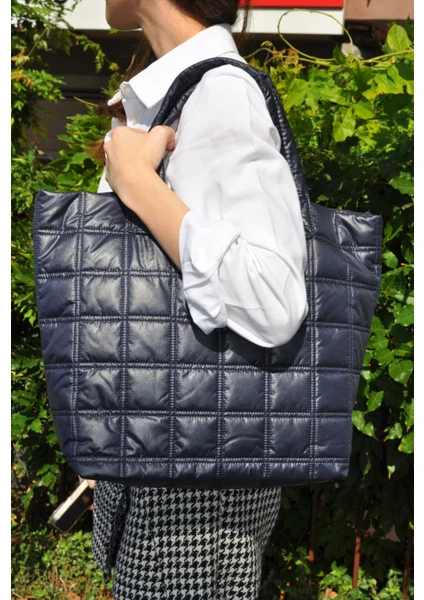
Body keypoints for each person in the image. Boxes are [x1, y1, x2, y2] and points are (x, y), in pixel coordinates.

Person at [86, 0, 309, 598]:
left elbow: (273, 296)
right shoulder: (183, 94)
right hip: (169, 474)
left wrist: (137, 183)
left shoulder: (221, 94)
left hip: (195, 514)